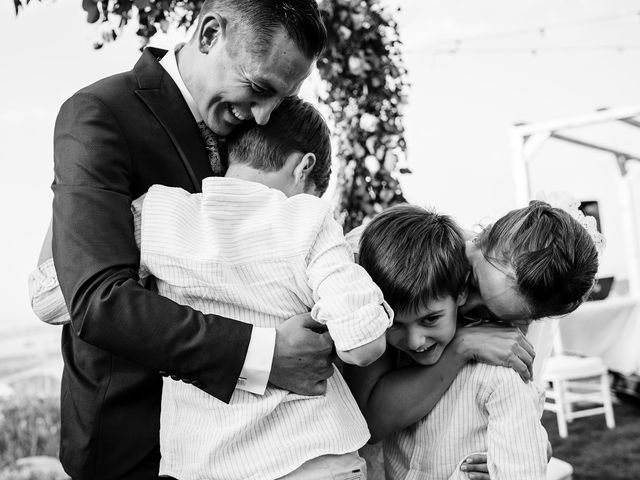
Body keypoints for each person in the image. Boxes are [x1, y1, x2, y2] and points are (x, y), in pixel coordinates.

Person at [33, 96, 392, 479]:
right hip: (315, 460)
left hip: (206, 467)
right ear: (305, 167)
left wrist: (81, 189)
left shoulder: (158, 214)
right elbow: (363, 346)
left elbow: (50, 297)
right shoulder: (308, 218)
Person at [49, 1, 328, 478]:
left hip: (253, 448)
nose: (262, 118)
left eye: (278, 100)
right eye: (258, 88)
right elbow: (98, 300)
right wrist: (263, 355)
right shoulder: (99, 114)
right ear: (208, 33)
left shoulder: (252, 127)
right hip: (138, 447)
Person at [344, 202, 600, 479]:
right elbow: (370, 418)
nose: (465, 302)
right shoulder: (399, 264)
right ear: (480, 239)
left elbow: (512, 407)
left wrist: (520, 446)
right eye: (475, 283)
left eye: (491, 314)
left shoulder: (522, 305)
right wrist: (462, 345)